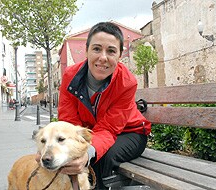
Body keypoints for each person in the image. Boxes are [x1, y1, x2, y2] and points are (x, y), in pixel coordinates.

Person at [55, 22, 151, 189]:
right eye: (97, 49)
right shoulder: (70, 76)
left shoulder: (127, 83)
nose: (103, 57)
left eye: (111, 51)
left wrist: (87, 154)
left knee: (100, 156)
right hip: (95, 133)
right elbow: (69, 123)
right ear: (86, 50)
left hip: (131, 133)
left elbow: (109, 128)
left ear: (120, 55)